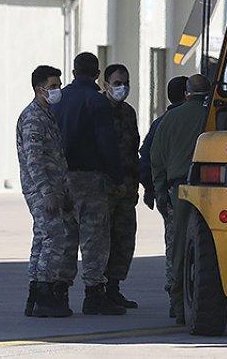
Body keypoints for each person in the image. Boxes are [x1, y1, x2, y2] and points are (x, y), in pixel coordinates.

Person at [53, 52, 125, 316]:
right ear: (97, 74)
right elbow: (106, 143)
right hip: (89, 177)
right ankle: (94, 293)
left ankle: (59, 291)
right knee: (94, 237)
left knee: (67, 236)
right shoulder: (96, 101)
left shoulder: (59, 101)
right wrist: (117, 177)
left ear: (73, 73)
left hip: (62, 177)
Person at [16, 65, 78, 318]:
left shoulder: (46, 114)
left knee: (44, 238)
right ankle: (44, 294)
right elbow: (34, 160)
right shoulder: (32, 118)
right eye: (52, 86)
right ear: (38, 88)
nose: (57, 90)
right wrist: (47, 192)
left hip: (54, 187)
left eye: (58, 85)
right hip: (41, 189)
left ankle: (36, 295)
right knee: (53, 238)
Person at [149, 73, 211, 323]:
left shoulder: (170, 119)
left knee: (177, 251)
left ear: (187, 93)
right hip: (212, 190)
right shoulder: (214, 117)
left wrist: (161, 194)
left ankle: (178, 305)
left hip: (179, 190)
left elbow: (156, 160)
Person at [138, 75, 189, 297]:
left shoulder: (162, 122)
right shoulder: (199, 119)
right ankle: (182, 291)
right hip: (180, 190)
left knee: (173, 245)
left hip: (168, 192)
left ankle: (175, 292)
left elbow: (147, 157)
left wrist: (151, 189)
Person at [102, 63, 139, 309]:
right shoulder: (98, 110)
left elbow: (133, 149)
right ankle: (97, 289)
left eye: (125, 83)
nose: (122, 88)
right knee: (102, 239)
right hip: (104, 187)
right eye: (117, 83)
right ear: (105, 85)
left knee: (124, 238)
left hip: (127, 186)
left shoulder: (128, 112)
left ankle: (114, 287)